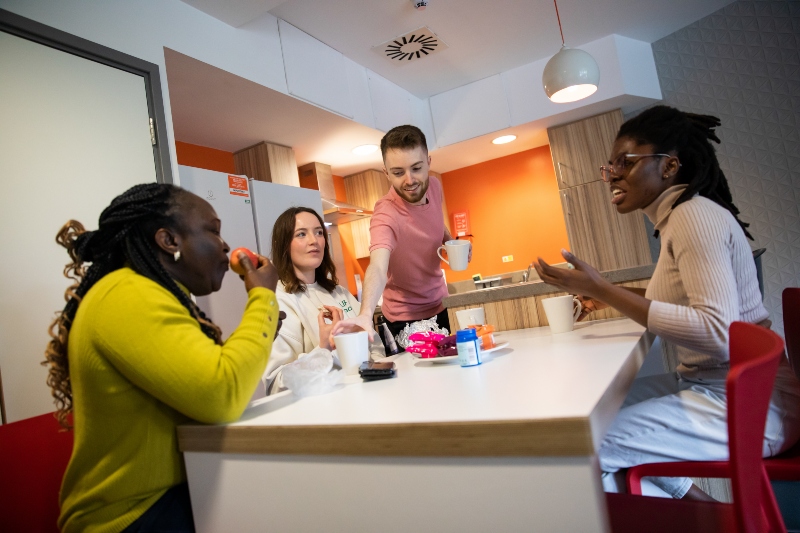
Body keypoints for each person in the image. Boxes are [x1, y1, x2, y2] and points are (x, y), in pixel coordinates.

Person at [534, 105, 800, 500]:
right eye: (610, 167)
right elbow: (682, 304)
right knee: (588, 420)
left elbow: (717, 333)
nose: (613, 176)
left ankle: (688, 517)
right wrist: (607, 295)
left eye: (625, 162)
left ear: (669, 166)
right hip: (717, 386)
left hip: (751, 404)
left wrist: (606, 290)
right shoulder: (679, 218)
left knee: (580, 450)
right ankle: (697, 506)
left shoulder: (693, 216)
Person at [44, 183, 283, 533]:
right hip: (131, 516)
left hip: (168, 496)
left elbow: (205, 381)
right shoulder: (128, 294)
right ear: (169, 241)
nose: (226, 245)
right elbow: (222, 393)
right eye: (214, 231)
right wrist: (262, 297)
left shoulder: (152, 293)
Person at [331, 124, 468, 341]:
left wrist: (450, 242)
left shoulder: (434, 185)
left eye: (416, 168)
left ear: (429, 163)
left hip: (442, 306)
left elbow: (435, 221)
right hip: (404, 321)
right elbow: (377, 265)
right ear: (386, 173)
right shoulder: (386, 214)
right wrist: (365, 314)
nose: (410, 180)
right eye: (398, 172)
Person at [263, 207, 385, 395]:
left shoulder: (339, 293)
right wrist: (323, 349)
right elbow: (276, 384)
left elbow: (373, 343)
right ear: (284, 245)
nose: (314, 241)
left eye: (319, 232)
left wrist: (376, 375)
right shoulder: (278, 300)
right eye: (301, 234)